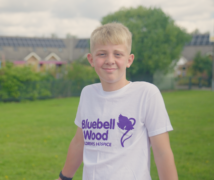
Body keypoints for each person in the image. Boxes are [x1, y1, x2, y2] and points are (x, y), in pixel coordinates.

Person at [57, 22, 178, 180]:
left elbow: (162, 152)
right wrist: (63, 178)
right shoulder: (88, 94)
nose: (110, 60)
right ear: (91, 59)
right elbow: (79, 142)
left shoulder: (146, 94)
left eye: (118, 54)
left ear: (129, 59)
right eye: (102, 54)